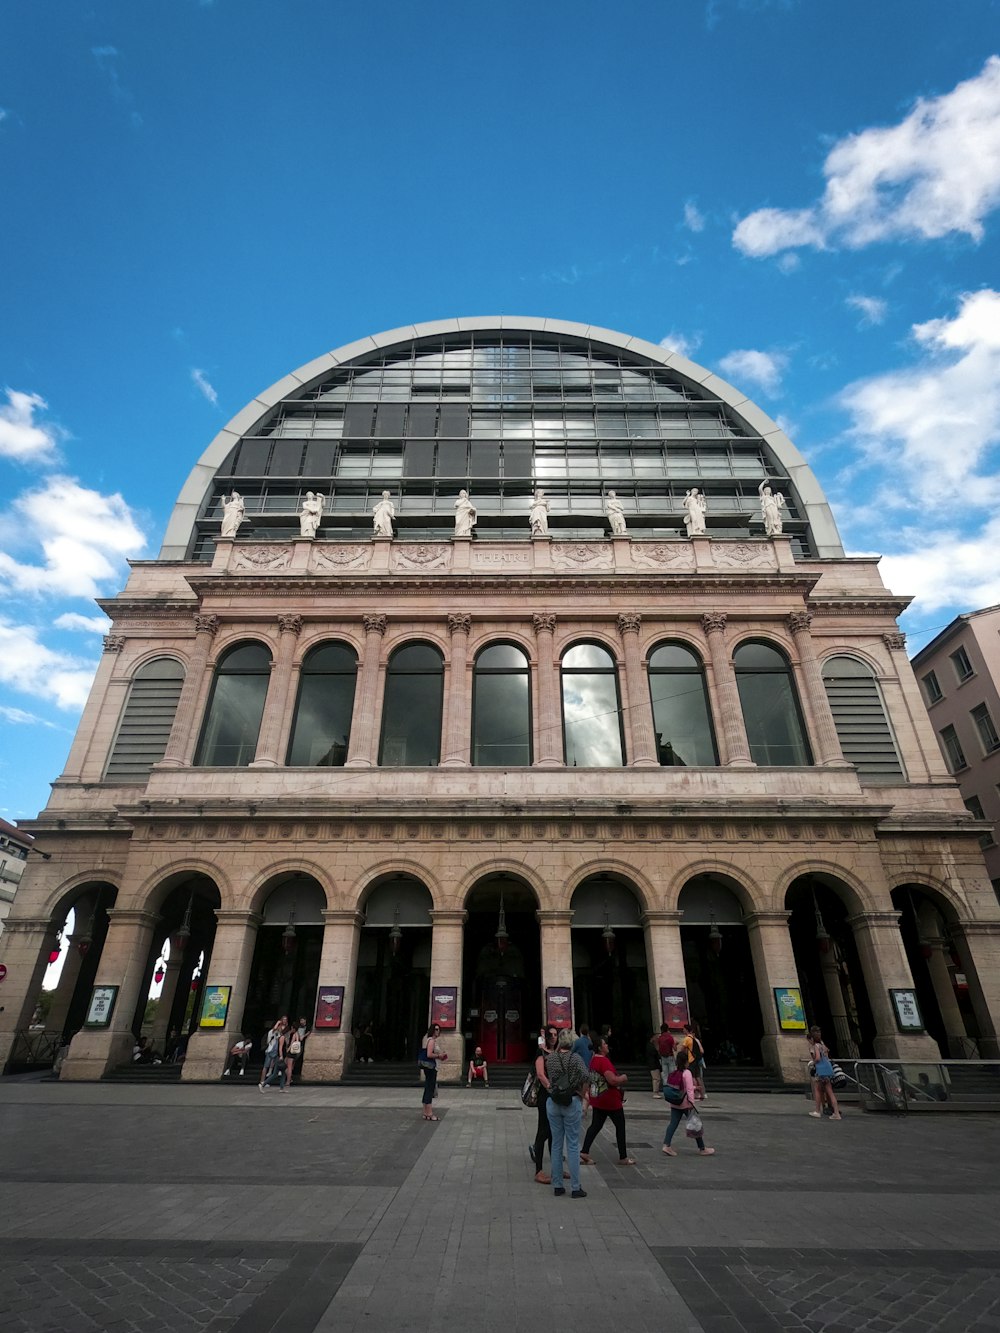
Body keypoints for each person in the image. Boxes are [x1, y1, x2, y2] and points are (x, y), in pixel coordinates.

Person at [544, 1028, 589, 1198]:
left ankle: (557, 1185)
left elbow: (552, 1078)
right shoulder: (576, 1058)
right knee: (572, 1144)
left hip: (554, 1102)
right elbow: (586, 1077)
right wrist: (583, 1095)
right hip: (571, 1101)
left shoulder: (552, 1059)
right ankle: (575, 1187)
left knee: (556, 1144)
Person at [580, 1035, 634, 1166]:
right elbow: (612, 1080)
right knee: (620, 1126)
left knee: (595, 1125)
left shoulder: (593, 1060)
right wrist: (623, 1078)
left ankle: (584, 1151)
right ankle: (623, 1157)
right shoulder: (604, 1061)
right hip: (610, 1100)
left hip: (599, 1098)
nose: (607, 1046)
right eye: (604, 1044)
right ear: (600, 1047)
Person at [529, 1026, 566, 1186]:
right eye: (549, 1035)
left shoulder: (556, 1053)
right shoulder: (541, 1054)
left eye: (555, 1034)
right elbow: (540, 1074)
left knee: (554, 1133)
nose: (553, 1037)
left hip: (556, 1096)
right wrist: (551, 1088)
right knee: (543, 1131)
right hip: (546, 1097)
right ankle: (538, 1171)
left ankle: (557, 1168)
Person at [662, 1049, 716, 1157]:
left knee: (672, 1124)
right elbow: (689, 1089)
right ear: (686, 1062)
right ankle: (702, 1148)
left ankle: (666, 1145)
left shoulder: (675, 1072)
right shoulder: (687, 1073)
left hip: (675, 1102)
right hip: (685, 1104)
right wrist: (692, 1102)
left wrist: (694, 1088)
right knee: (695, 1124)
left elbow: (684, 1087)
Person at [807, 1025, 842, 1120]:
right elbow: (826, 1054)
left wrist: (812, 1062)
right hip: (828, 1069)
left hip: (821, 1070)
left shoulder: (815, 1046)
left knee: (817, 1090)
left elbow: (818, 1058)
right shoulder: (823, 1045)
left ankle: (817, 1111)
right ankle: (836, 1113)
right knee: (830, 1092)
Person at [419, 1022, 447, 1121]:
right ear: (432, 1030)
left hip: (431, 1067)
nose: (437, 1031)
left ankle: (426, 1113)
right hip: (431, 1067)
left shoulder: (431, 1040)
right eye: (436, 1029)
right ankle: (430, 1113)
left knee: (428, 1088)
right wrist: (439, 1056)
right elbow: (429, 1054)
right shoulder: (431, 1041)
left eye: (438, 1029)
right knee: (430, 1089)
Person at [656, 1024, 676, 1092]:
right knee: (672, 1073)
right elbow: (675, 1048)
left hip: (663, 1057)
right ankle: (672, 1089)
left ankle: (666, 1090)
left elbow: (658, 1049)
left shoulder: (660, 1038)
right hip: (670, 1056)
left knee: (665, 1074)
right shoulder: (670, 1037)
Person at [647, 1028, 664, 1097]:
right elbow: (656, 1054)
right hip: (653, 1064)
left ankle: (656, 1092)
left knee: (657, 1078)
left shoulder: (650, 1045)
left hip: (654, 1064)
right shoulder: (651, 1046)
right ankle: (655, 1092)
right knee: (656, 1078)